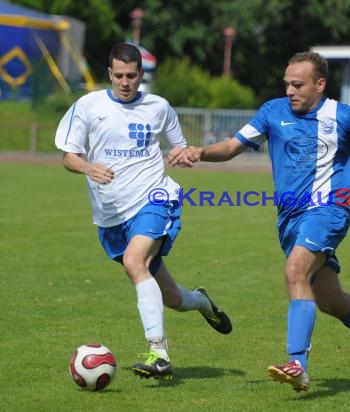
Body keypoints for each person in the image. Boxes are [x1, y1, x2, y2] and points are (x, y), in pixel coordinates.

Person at [168, 51, 350, 391]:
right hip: (289, 221)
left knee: (295, 272)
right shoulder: (272, 111)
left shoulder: (342, 115)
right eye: (286, 83)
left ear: (320, 85)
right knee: (331, 300)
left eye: (297, 84)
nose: (289, 90)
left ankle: (297, 363)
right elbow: (231, 147)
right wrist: (200, 152)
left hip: (328, 212)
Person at [54, 43, 232, 380]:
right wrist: (88, 167)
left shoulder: (158, 107)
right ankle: (204, 303)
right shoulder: (88, 106)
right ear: (109, 74)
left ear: (141, 75)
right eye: (119, 75)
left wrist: (183, 155)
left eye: (131, 76)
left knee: (135, 263)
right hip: (111, 216)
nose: (125, 82)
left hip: (155, 198)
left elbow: (179, 146)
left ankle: (158, 354)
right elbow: (68, 156)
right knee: (174, 298)